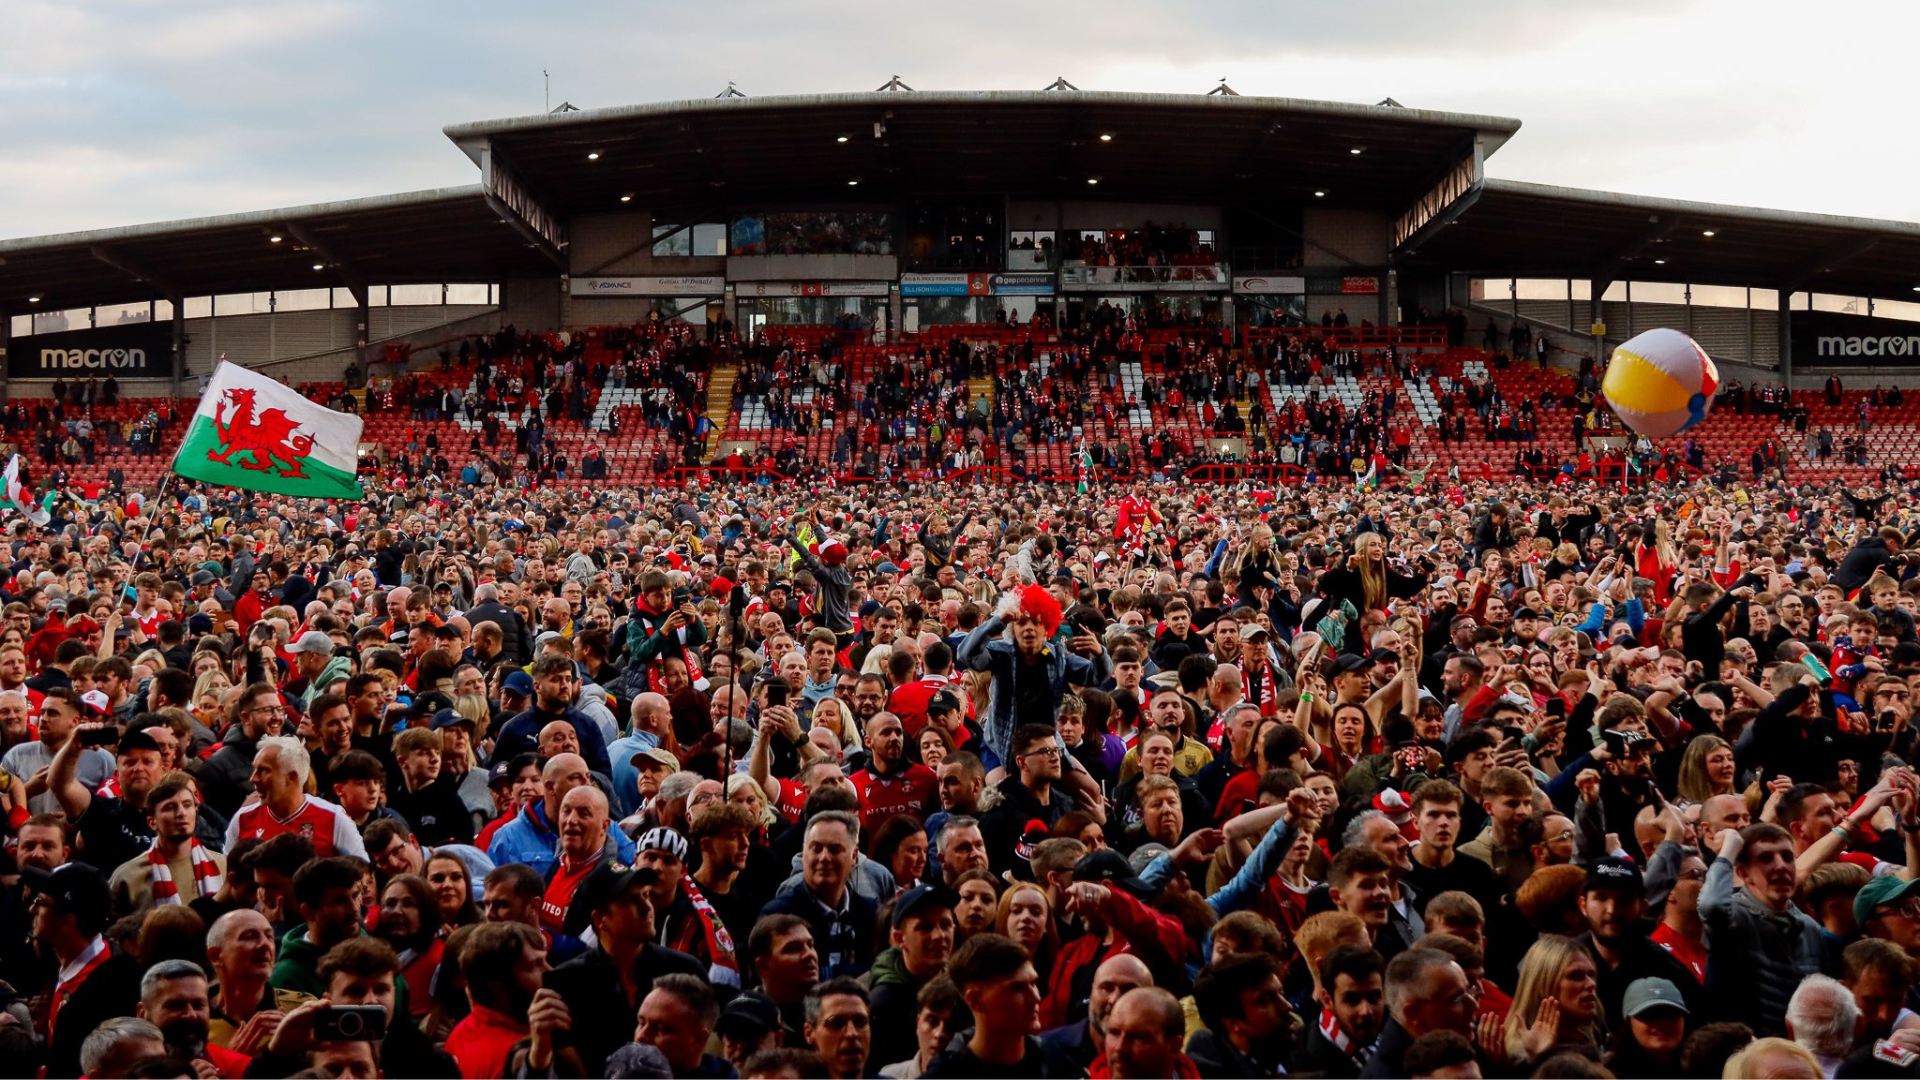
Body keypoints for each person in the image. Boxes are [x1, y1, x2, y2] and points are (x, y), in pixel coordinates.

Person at [546, 861, 706, 1076]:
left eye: (645, 896)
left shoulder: (684, 971)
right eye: (630, 900)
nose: (646, 907)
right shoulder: (567, 982)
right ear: (600, 918)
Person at [24, 862, 144, 1079]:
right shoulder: (53, 960)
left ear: (68, 921)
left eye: (41, 902)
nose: (32, 908)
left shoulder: (114, 988)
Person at [923, 933, 1081, 1077]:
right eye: (1017, 989)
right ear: (975, 1000)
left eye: (1033, 984)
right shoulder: (947, 1074)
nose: (1036, 997)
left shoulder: (1054, 1062)